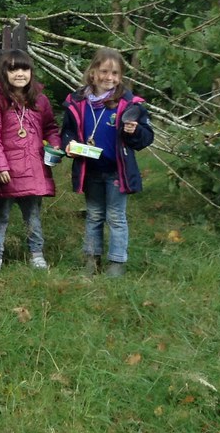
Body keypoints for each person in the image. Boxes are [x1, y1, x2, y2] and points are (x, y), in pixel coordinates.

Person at [62, 48, 153, 277]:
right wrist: (69, 145)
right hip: (90, 169)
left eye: (115, 73)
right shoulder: (77, 101)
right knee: (93, 215)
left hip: (116, 171)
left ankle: (116, 263)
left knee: (116, 217)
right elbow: (68, 132)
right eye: (104, 71)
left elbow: (145, 137)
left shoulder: (130, 104)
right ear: (93, 72)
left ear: (121, 77)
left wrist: (134, 131)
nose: (108, 77)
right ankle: (91, 259)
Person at [0, 50, 61, 272]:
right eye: (14, 69)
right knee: (1, 216)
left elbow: (50, 127)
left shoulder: (40, 100)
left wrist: (54, 145)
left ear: (31, 72)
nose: (20, 73)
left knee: (33, 216)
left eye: (24, 68)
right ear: (4, 72)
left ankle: (36, 253)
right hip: (7, 171)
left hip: (34, 169)